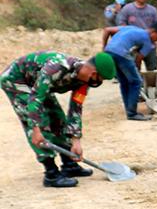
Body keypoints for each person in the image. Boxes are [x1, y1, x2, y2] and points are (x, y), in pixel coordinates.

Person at [1, 51, 114, 187]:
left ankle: (69, 164)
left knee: (57, 117)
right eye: (100, 78)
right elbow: (35, 98)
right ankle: (51, 174)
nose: (98, 82)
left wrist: (75, 140)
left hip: (37, 84)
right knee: (41, 121)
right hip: (16, 80)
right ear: (93, 72)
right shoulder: (55, 68)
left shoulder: (83, 82)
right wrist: (35, 130)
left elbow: (75, 108)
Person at [104, 22, 157, 120]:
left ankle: (129, 111)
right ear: (154, 32)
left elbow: (107, 30)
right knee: (136, 82)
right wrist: (137, 71)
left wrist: (104, 48)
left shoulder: (131, 28)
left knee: (124, 82)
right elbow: (138, 59)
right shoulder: (148, 41)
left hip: (109, 51)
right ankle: (132, 113)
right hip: (122, 54)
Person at [117, 0, 157, 71]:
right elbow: (122, 26)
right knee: (133, 68)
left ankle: (149, 83)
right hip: (133, 45)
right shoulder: (127, 9)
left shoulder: (152, 10)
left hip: (149, 44)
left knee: (152, 68)